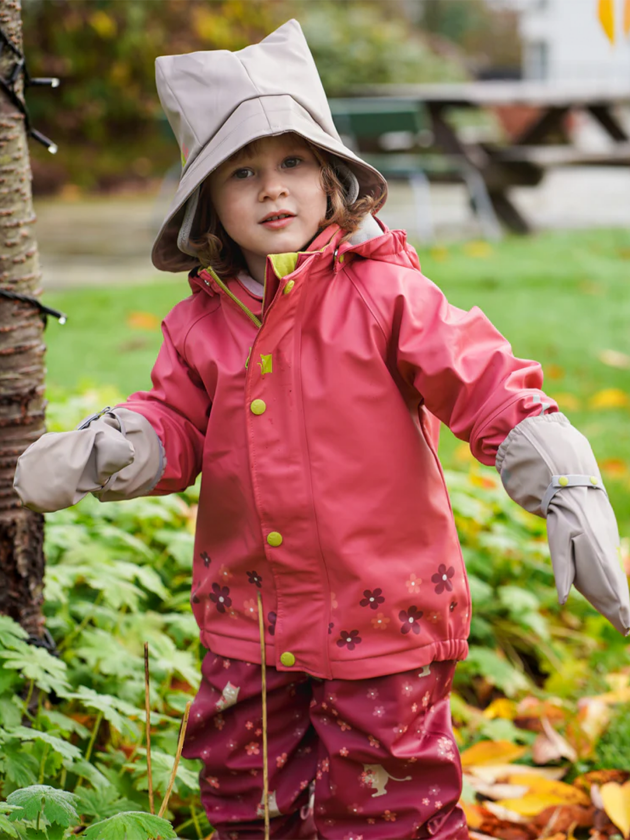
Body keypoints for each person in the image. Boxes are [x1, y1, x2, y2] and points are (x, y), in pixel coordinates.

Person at [14, 19, 630, 840]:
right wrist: (119, 443)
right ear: (207, 200)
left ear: (333, 176)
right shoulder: (200, 326)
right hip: (249, 624)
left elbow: (481, 379)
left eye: (293, 162)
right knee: (246, 800)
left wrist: (559, 468)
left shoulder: (389, 297)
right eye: (243, 172)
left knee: (389, 805)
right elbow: (178, 421)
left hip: (385, 623)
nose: (274, 189)